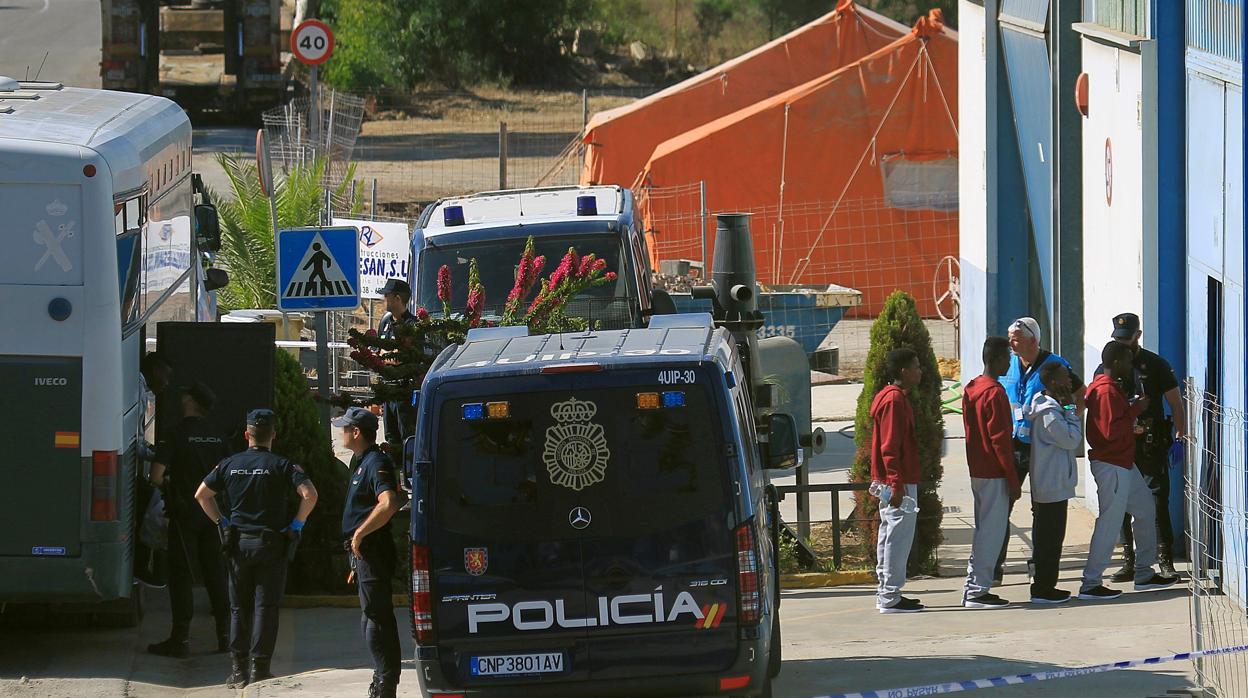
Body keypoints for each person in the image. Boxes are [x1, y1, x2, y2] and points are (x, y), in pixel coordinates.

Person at [195, 409, 318, 689]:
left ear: (246, 434)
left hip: (238, 543)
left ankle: (238, 671)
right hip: (271, 544)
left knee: (239, 608)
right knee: (266, 607)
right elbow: (310, 495)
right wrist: (296, 524)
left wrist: (222, 522)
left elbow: (201, 495)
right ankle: (260, 668)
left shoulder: (229, 464)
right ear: (273, 434)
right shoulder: (283, 465)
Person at [1079, 341, 1179, 600]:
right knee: (1109, 523)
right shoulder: (1106, 392)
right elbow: (1108, 432)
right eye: (1125, 360)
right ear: (1115, 363)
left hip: (1123, 463)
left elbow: (1113, 423)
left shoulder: (1107, 389)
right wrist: (1135, 424)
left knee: (1145, 509)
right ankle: (1091, 583)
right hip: (1112, 464)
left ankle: (1144, 573)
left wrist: (1134, 410)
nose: (1129, 365)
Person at [995, 317, 1084, 583]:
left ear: (1033, 340)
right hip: (1014, 443)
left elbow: (1081, 394)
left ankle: (1039, 568)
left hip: (1042, 448)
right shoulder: (1007, 363)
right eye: (1010, 337)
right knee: (1003, 504)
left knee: (1042, 509)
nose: (1011, 342)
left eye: (1016, 338)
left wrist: (1068, 417)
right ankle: (995, 566)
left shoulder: (1056, 365)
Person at [1098, 313, 1185, 582]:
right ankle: (1129, 561)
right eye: (1119, 339)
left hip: (1150, 444)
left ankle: (1164, 559)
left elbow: (1175, 401)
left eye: (1127, 338)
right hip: (1122, 446)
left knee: (1157, 500)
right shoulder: (1108, 365)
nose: (1123, 344)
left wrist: (1180, 434)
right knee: (1122, 501)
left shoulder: (1155, 364)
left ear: (1138, 335)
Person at [147, 383, 232, 658]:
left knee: (181, 575)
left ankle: (180, 638)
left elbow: (156, 476)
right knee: (215, 574)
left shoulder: (175, 434)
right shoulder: (217, 436)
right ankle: (224, 635)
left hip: (184, 514)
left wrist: (171, 485)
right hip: (213, 512)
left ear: (189, 401)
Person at [336, 407, 407, 698]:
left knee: (377, 619)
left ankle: (385, 684)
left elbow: (389, 502)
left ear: (356, 432)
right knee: (370, 617)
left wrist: (360, 534)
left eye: (344, 427)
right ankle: (381, 679)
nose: (340, 431)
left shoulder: (376, 461)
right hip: (363, 555)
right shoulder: (360, 461)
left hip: (373, 552)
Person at [961, 337, 1019, 609]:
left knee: (985, 529)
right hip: (994, 471)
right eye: (1007, 357)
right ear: (995, 359)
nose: (1010, 362)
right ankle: (977, 590)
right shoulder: (994, 393)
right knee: (991, 532)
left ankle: (975, 584)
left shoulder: (973, 387)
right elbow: (1000, 440)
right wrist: (1012, 477)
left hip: (978, 468)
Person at [870, 348, 924, 613]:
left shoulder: (891, 397)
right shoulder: (894, 401)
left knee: (889, 533)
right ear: (903, 371)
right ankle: (890, 595)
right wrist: (896, 483)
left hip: (893, 480)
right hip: (898, 481)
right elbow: (889, 447)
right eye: (915, 366)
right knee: (897, 537)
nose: (919, 371)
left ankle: (886, 591)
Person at [1026, 362, 1083, 604]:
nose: (1069, 381)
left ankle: (1046, 584)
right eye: (1064, 377)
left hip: (1056, 485)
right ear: (1052, 383)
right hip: (1050, 487)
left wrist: (1068, 407)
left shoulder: (1055, 408)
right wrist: (1071, 411)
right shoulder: (1048, 413)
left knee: (1052, 538)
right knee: (1048, 540)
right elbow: (1071, 440)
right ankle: (1043, 588)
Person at [377, 278, 416, 457]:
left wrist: (388, 354)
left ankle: (408, 478)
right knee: (391, 438)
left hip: (403, 392)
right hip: (388, 391)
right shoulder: (385, 322)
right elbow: (377, 354)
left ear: (397, 298)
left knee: (407, 438)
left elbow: (400, 358)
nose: (383, 299)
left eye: (386, 295)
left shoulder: (411, 325)